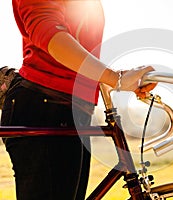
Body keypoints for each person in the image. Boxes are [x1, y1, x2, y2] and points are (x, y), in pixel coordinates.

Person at [2, 0, 156, 199]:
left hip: (71, 109)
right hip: (44, 106)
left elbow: (77, 50)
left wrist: (119, 79)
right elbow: (50, 36)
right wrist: (114, 78)